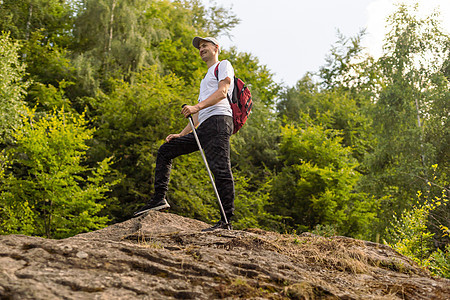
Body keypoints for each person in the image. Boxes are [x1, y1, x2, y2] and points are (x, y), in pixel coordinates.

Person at [133, 36, 235, 231]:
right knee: (166, 150)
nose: (201, 49)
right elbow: (198, 116)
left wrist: (196, 106)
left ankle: (226, 221)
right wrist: (181, 134)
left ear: (216, 48)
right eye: (199, 47)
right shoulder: (205, 78)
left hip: (220, 122)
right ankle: (159, 200)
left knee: (221, 169)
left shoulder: (223, 65)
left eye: (205, 46)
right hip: (205, 126)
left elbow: (223, 93)